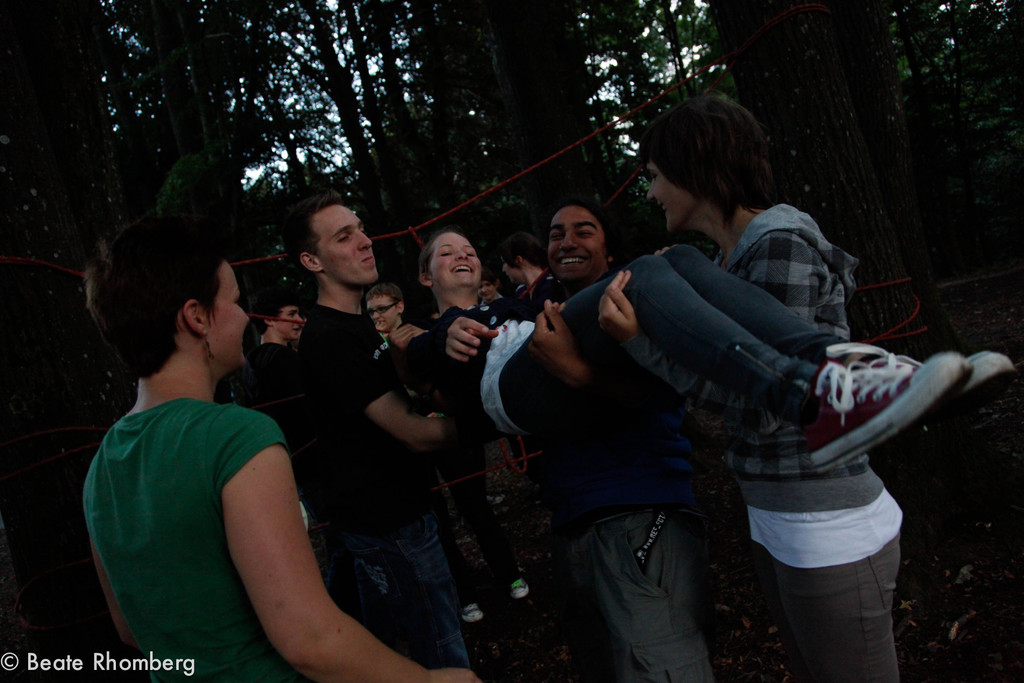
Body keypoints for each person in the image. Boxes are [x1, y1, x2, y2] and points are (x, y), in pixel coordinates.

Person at [623, 94, 1016, 682]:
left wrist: (644, 346)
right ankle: (889, 373)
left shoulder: (777, 244)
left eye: (655, 175)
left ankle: (887, 375)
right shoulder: (724, 264)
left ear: (694, 168)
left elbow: (766, 408)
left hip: (824, 519)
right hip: (779, 511)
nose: (651, 192)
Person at [82, 215, 478, 682]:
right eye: (234, 302)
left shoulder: (103, 463)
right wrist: (431, 680)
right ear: (196, 317)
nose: (243, 317)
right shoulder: (236, 438)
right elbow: (309, 639)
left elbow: (129, 629)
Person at [282, 190, 470, 670]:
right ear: (312, 261)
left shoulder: (359, 322)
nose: (365, 241)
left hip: (391, 513)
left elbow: (400, 402)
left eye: (361, 229)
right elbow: (411, 432)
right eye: (344, 237)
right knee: (441, 649)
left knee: (386, 644)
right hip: (389, 522)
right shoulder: (329, 336)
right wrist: (499, 418)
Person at [242, 287, 361, 617]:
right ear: (269, 320)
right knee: (346, 542)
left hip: (295, 463)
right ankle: (337, 615)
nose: (300, 320)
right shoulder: (282, 360)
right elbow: (315, 409)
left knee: (341, 540)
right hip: (315, 462)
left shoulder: (252, 363)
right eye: (292, 314)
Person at [499, 230, 559, 308]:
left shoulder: (554, 286)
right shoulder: (520, 292)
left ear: (518, 260)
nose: (503, 269)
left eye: (504, 262)